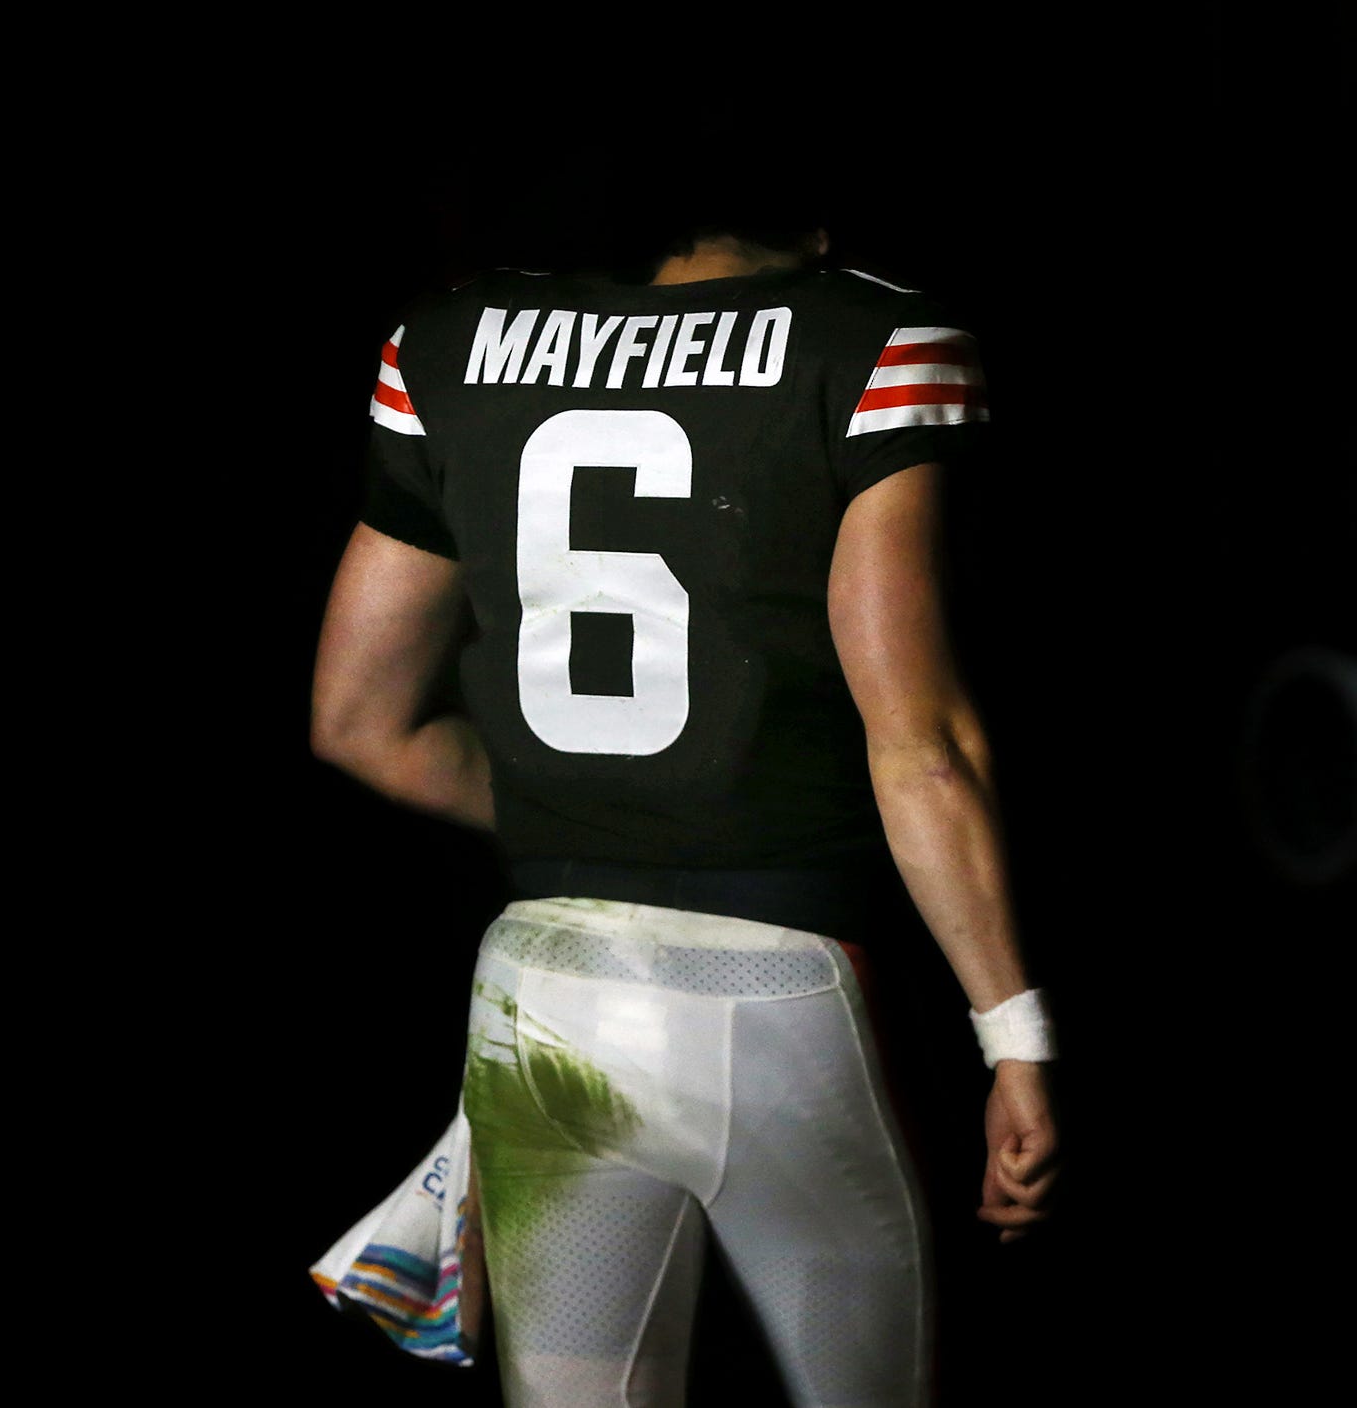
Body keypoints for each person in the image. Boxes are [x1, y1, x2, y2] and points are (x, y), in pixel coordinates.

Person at [310, 217, 1059, 1406]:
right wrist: (1013, 1033)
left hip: (539, 997)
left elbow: (359, 721)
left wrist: (595, 817)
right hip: (780, 995)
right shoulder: (868, 339)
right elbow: (918, 745)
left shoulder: (452, 339)